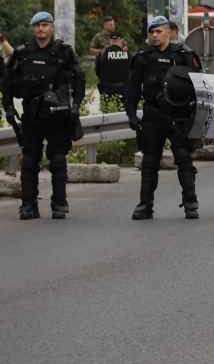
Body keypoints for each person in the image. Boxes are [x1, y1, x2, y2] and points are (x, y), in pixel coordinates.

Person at [3, 11, 85, 219]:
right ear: (33, 28)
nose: (41, 29)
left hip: (57, 115)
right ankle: (28, 205)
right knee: (29, 161)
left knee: (58, 159)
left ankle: (59, 203)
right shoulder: (22, 53)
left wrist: (75, 106)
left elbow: (79, 79)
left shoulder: (64, 52)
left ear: (51, 28)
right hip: (32, 115)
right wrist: (9, 109)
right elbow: (7, 83)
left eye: (45, 25)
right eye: (37, 26)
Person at [126, 15, 203, 220]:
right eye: (152, 32)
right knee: (149, 162)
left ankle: (190, 203)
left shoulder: (184, 55)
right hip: (153, 115)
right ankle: (145, 205)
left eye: (159, 31)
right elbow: (132, 89)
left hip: (179, 116)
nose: (155, 35)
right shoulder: (143, 57)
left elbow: (200, 87)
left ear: (169, 31)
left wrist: (198, 118)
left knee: (184, 160)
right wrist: (132, 114)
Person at [93, 29, 131, 112]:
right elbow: (132, 72)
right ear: (121, 40)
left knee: (107, 115)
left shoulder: (103, 54)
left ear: (110, 41)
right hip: (124, 90)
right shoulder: (128, 54)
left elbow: (97, 71)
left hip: (107, 90)